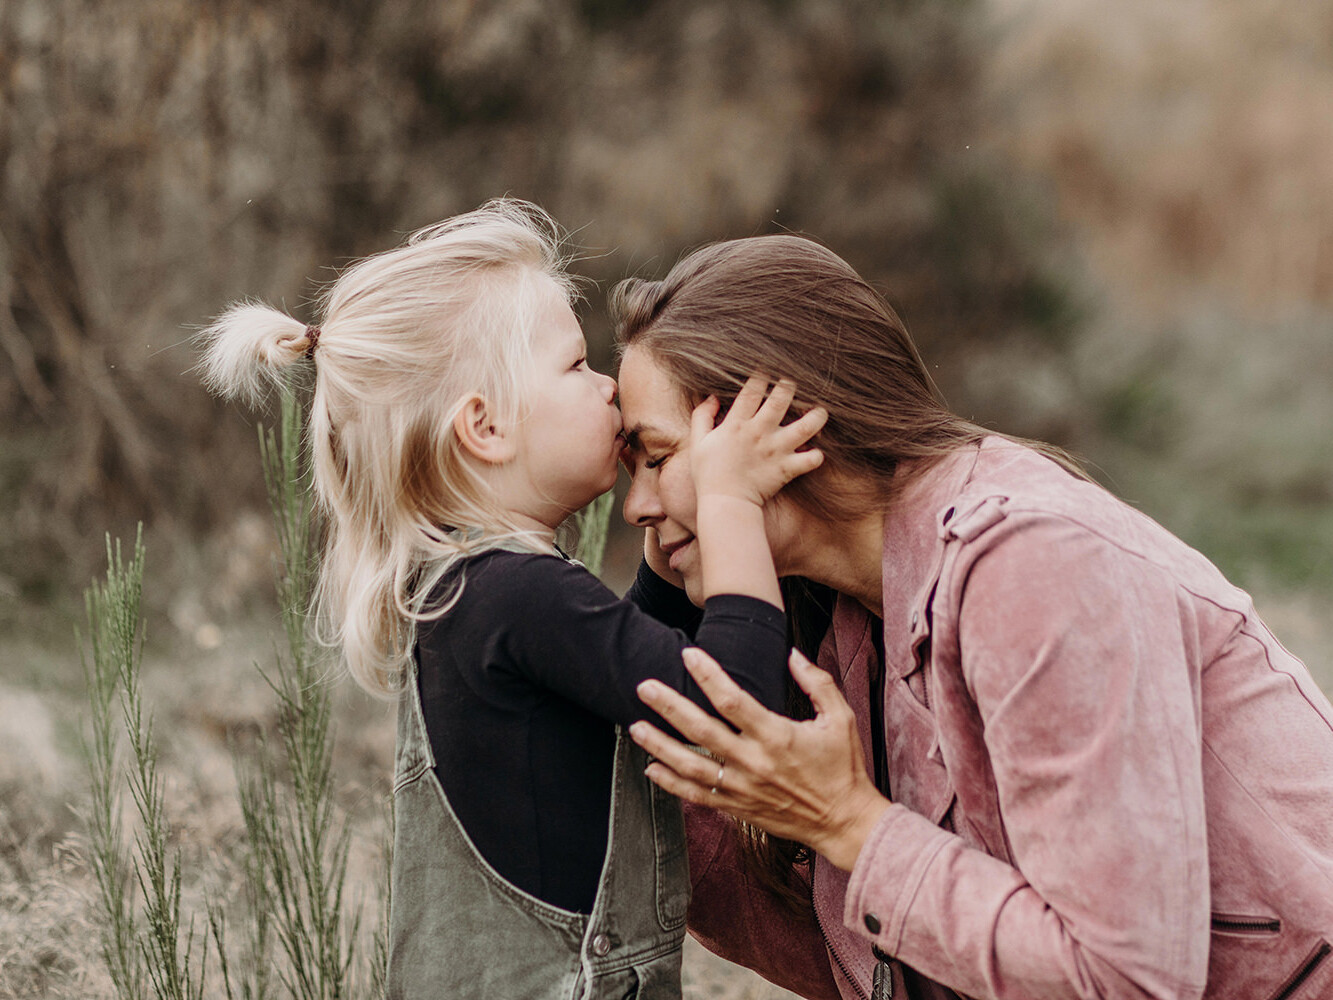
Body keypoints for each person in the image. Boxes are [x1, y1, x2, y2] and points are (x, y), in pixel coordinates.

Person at [610, 233, 1333, 1000]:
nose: (636, 507)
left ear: (778, 425)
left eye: (655, 459)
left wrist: (851, 824)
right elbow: (861, 960)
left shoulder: (1031, 561)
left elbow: (1129, 982)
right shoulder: (840, 617)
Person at [196, 200, 828, 1000]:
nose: (607, 390)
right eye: (574, 367)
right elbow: (733, 712)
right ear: (485, 427)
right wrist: (730, 500)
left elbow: (638, 677)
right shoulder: (513, 595)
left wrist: (664, 574)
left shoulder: (472, 588)